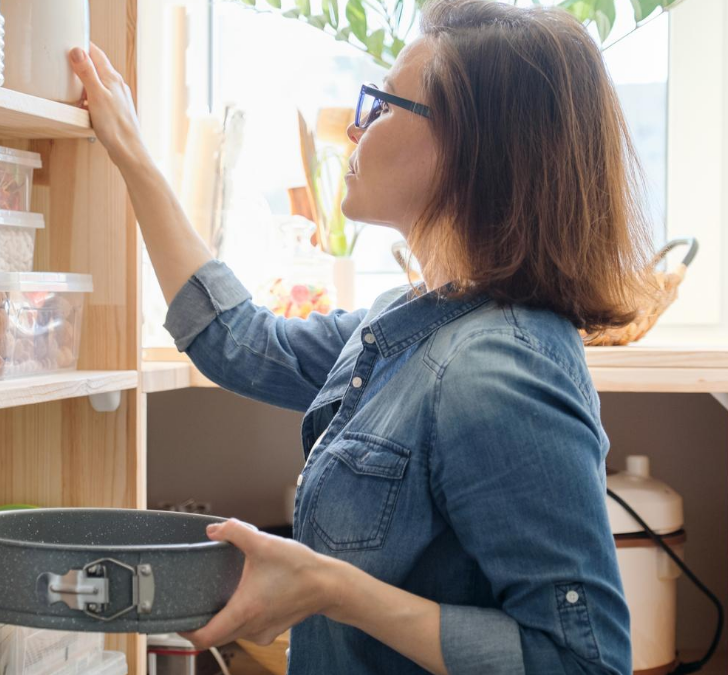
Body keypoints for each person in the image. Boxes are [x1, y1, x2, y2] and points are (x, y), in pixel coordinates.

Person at [69, 0, 652, 672]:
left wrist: (332, 588)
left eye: (382, 105)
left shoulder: (498, 368)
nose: (354, 127)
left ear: (466, 145)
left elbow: (583, 661)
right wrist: (134, 155)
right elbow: (238, 340)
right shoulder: (408, 323)